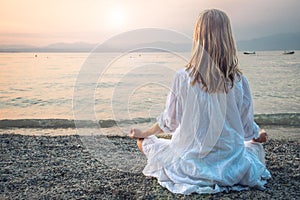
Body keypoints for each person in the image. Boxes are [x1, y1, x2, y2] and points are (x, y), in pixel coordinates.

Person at [128, 8, 271, 194]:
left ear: (198, 39)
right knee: (254, 147)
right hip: (231, 168)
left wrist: (144, 132)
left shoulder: (183, 77)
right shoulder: (238, 80)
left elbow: (170, 124)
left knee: (143, 142)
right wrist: (257, 135)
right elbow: (245, 130)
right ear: (228, 39)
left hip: (189, 167)